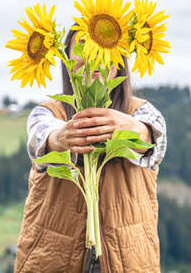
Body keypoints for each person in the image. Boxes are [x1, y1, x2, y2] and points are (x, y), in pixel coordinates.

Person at [14, 27, 167, 273]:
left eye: (101, 45)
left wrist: (133, 130)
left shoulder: (140, 112)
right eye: (82, 48)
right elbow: (40, 138)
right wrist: (62, 138)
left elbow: (155, 139)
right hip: (53, 258)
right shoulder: (49, 113)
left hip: (128, 260)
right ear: (66, 60)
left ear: (119, 61)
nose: (92, 56)